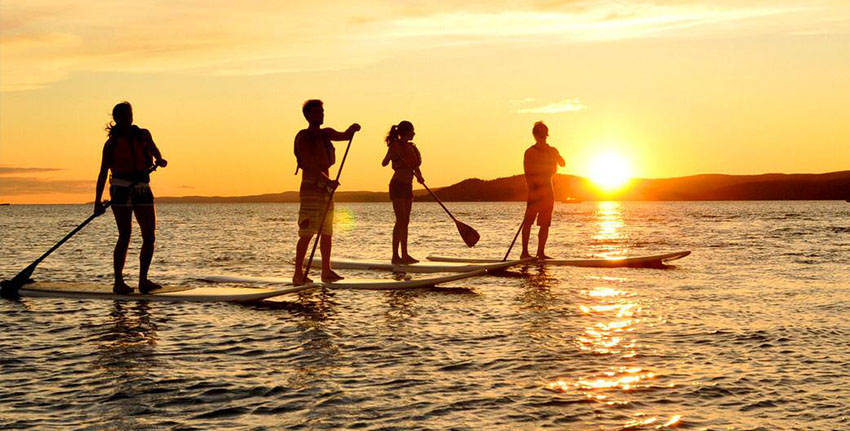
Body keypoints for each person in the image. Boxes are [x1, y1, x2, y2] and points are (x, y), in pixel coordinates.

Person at [94, 102, 167, 294]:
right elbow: (103, 173)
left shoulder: (143, 135)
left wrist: (159, 159)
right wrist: (97, 203)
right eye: (124, 116)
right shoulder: (111, 144)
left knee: (149, 235)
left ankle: (143, 280)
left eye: (130, 115)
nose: (128, 119)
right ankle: (119, 281)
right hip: (120, 189)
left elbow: (155, 151)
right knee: (125, 234)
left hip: (142, 188)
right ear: (117, 119)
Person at [292, 99, 360, 284]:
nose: (321, 114)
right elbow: (309, 163)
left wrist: (352, 130)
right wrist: (326, 180)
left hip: (327, 190)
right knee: (307, 231)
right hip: (311, 189)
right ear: (308, 115)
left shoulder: (326, 133)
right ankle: (298, 273)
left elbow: (344, 135)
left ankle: (326, 270)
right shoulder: (304, 137)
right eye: (317, 112)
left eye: (322, 111)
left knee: (327, 231)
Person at [381, 121, 424, 264]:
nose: (414, 134)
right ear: (406, 132)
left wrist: (420, 176)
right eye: (412, 131)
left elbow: (416, 166)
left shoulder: (412, 147)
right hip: (397, 185)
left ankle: (405, 254)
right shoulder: (395, 145)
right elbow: (384, 163)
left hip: (408, 186)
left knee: (406, 221)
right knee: (400, 220)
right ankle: (395, 256)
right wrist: (392, 154)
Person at [521, 121, 564, 259]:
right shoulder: (530, 152)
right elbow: (528, 174)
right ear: (535, 135)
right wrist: (533, 191)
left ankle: (540, 252)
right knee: (528, 222)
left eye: (544, 134)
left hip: (548, 191)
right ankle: (524, 253)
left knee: (545, 224)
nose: (542, 137)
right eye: (541, 134)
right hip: (535, 191)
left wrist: (557, 156)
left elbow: (563, 163)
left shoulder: (552, 150)